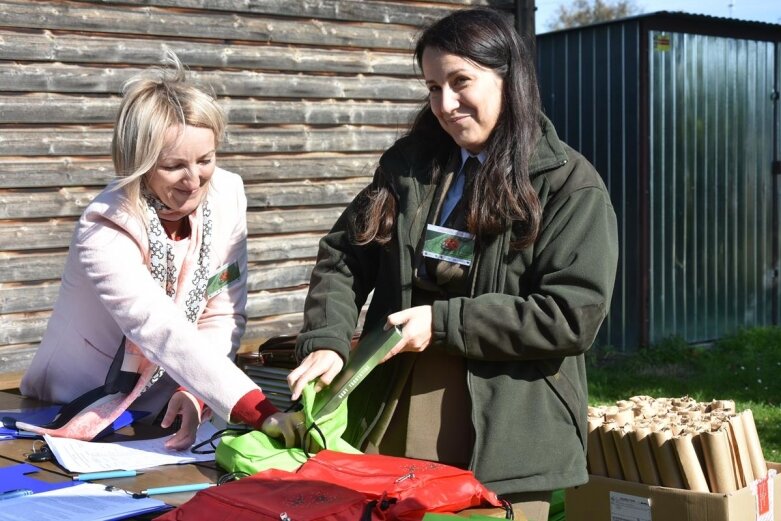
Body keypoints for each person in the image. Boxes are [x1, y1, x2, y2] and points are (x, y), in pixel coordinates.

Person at [287, 8, 618, 521]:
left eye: (461, 81)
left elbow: (570, 315)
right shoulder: (410, 167)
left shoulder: (569, 186)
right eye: (432, 87)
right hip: (395, 410)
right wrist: (327, 341)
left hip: (509, 431)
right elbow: (345, 255)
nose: (445, 103)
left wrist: (443, 323)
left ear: (509, 76)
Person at [21, 52, 300, 451]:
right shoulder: (105, 224)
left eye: (205, 160)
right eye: (173, 166)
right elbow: (157, 327)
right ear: (140, 162)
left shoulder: (227, 195)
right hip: (75, 402)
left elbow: (220, 310)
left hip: (167, 406)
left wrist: (195, 392)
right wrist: (259, 410)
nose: (194, 180)